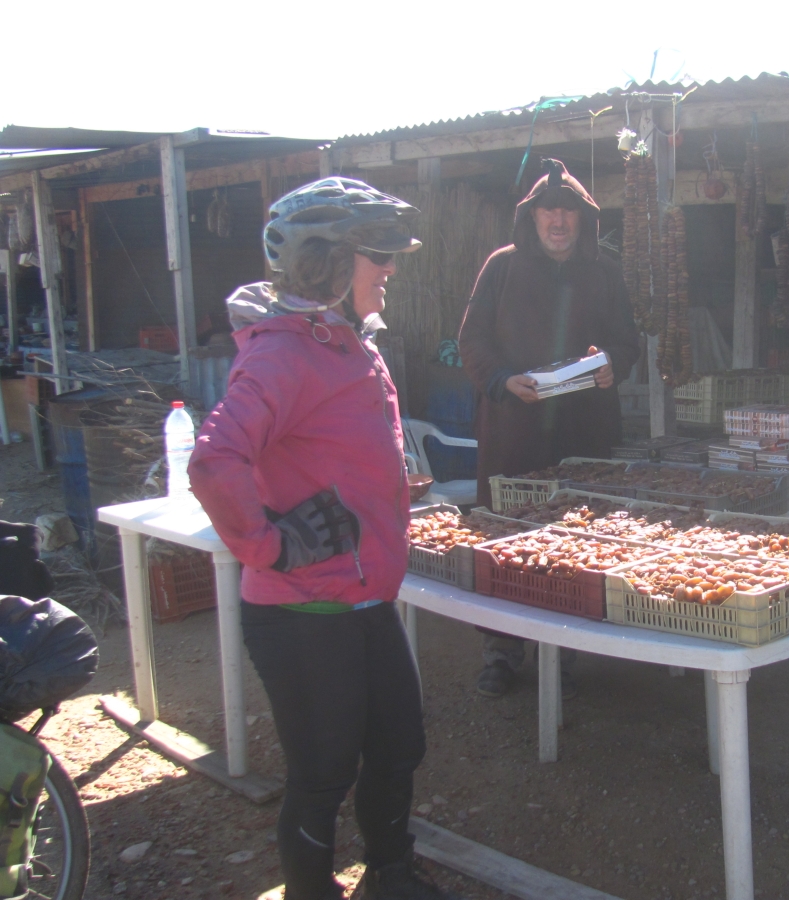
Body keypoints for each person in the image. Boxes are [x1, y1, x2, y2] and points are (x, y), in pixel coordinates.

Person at [188, 177, 458, 900]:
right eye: (378, 254)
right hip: (302, 608)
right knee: (323, 773)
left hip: (362, 596)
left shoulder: (341, 341)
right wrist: (270, 545)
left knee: (399, 746)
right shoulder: (282, 353)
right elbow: (214, 460)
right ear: (327, 264)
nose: (390, 268)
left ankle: (390, 877)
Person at [458, 158, 640, 698]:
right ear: (531, 217)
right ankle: (501, 652)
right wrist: (501, 380)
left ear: (584, 218)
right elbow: (472, 340)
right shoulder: (502, 267)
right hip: (513, 430)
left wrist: (612, 364)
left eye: (568, 212)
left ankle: (562, 652)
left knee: (574, 538)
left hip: (582, 432)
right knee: (505, 534)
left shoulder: (605, 272)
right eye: (548, 211)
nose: (558, 221)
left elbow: (626, 341)